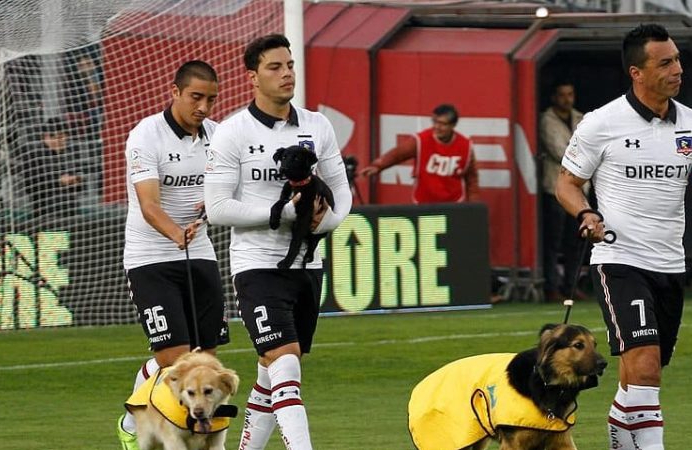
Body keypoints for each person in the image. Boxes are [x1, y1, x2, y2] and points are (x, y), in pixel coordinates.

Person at [557, 24, 692, 450]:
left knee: (641, 374)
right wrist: (586, 212)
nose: (677, 69)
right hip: (619, 259)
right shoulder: (601, 123)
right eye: (665, 62)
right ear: (636, 72)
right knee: (645, 368)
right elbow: (566, 183)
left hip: (669, 265)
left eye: (677, 59)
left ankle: (621, 439)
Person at [204, 34, 351, 450]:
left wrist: (322, 225)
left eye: (290, 65)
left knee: (273, 371)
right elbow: (216, 208)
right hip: (257, 266)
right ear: (251, 76)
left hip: (308, 267)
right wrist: (287, 215)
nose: (287, 74)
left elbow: (343, 191)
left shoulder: (317, 125)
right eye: (275, 67)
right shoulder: (232, 132)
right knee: (285, 361)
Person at [116, 60, 226, 449]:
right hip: (151, 258)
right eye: (196, 97)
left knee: (204, 364)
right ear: (175, 91)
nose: (204, 107)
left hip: (199, 254)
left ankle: (190, 435)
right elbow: (149, 205)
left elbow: (225, 192)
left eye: (211, 99)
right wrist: (176, 233)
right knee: (175, 361)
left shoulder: (217, 136)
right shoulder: (146, 135)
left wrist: (210, 212)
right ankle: (133, 426)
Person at [358, 104, 479, 203]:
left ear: (453, 125)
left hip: (453, 205)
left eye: (442, 123)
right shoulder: (421, 140)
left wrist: (474, 206)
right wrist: (378, 166)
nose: (437, 127)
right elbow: (398, 154)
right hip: (423, 204)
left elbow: (472, 179)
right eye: (435, 122)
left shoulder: (465, 146)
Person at [539, 80, 585, 302]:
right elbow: (560, 151)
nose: (567, 99)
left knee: (575, 242)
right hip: (555, 188)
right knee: (553, 242)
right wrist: (585, 156)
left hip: (581, 188)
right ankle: (552, 286)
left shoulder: (581, 117)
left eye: (570, 94)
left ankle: (571, 286)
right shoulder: (546, 120)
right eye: (562, 95)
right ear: (554, 97)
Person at [21, 117, 82, 232]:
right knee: (52, 248)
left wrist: (76, 180)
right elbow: (30, 186)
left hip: (71, 211)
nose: (60, 140)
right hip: (47, 213)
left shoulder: (70, 154)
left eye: (63, 136)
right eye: (55, 137)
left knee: (73, 247)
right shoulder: (34, 156)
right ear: (45, 137)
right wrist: (58, 181)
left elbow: (80, 184)